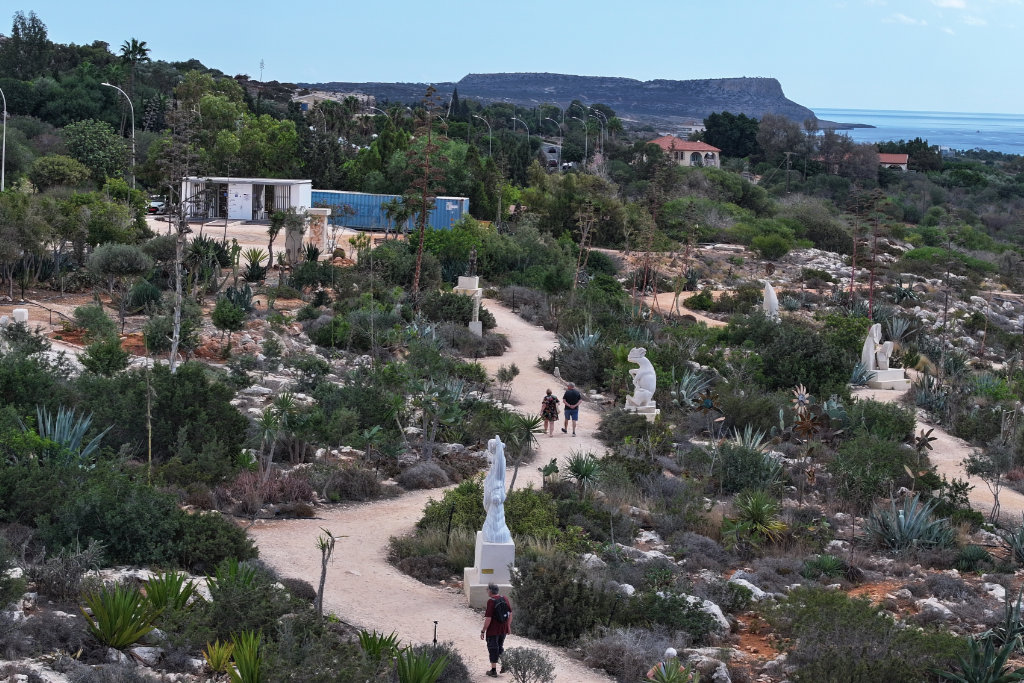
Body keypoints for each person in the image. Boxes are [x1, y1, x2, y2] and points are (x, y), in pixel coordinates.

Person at [480, 583, 512, 677]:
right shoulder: (504, 598)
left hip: (493, 630)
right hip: (503, 629)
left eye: (487, 590)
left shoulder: (491, 601)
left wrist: (483, 630)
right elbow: (510, 613)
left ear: (490, 591)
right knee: (500, 646)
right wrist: (508, 627)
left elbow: (488, 618)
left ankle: (493, 671)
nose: (487, 591)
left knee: (493, 648)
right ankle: (504, 665)